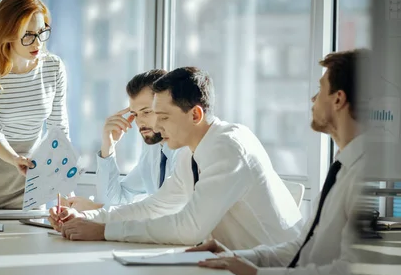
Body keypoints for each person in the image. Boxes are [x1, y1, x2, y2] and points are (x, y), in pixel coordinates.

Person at [188, 50, 364, 275]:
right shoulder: (344, 167)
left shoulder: (369, 176)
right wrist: (235, 258)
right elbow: (302, 248)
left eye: (320, 90)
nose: (312, 99)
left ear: (338, 99)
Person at [51, 67, 302, 248]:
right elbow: (154, 206)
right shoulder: (191, 153)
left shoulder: (227, 147)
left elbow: (189, 228)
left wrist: (104, 231)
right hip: (241, 269)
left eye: (164, 117)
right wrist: (86, 219)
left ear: (195, 115)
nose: (156, 127)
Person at [0, 0, 69, 210]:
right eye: (27, 34)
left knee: (29, 240)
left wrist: (63, 176)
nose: (37, 42)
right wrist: (15, 159)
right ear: (8, 33)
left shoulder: (53, 67)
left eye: (41, 32)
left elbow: (58, 128)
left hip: (30, 172)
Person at [66, 70, 185, 212]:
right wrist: (108, 146)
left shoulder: (186, 151)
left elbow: (168, 213)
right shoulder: (154, 151)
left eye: (146, 112)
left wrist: (96, 210)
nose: (140, 121)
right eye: (135, 114)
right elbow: (115, 199)